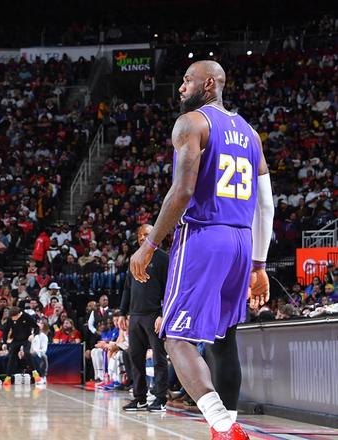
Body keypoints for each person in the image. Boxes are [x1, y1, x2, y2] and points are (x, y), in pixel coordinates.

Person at [130, 60, 274, 440]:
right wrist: (259, 264)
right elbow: (266, 206)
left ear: (208, 84)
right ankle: (229, 425)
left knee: (176, 337)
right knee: (225, 339)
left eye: (186, 80)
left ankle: (224, 426)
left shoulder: (192, 123)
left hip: (204, 235)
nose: (180, 87)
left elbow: (182, 191)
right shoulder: (251, 134)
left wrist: (149, 244)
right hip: (242, 240)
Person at [119, 224, 169, 412]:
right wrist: (122, 312)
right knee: (135, 358)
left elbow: (169, 289)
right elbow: (127, 288)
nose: (143, 237)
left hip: (154, 315)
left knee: (159, 359)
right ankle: (140, 398)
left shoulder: (164, 258)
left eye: (147, 234)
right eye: (140, 234)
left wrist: (164, 314)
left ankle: (160, 399)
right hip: (135, 315)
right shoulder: (134, 258)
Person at [3, 306, 38, 377]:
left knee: (27, 353)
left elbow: (36, 327)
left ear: (18, 314)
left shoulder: (27, 316)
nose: (12, 319)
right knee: (12, 355)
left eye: (13, 317)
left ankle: (35, 372)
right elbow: (6, 330)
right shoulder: (10, 318)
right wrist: (4, 342)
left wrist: (33, 335)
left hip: (26, 339)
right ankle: (8, 376)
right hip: (16, 339)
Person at [30, 319, 49, 384]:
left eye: (40, 323)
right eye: (38, 322)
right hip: (28, 352)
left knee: (44, 356)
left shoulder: (44, 337)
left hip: (38, 353)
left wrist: (36, 351)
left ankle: (42, 376)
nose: (38, 324)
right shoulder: (31, 334)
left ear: (43, 326)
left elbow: (44, 350)